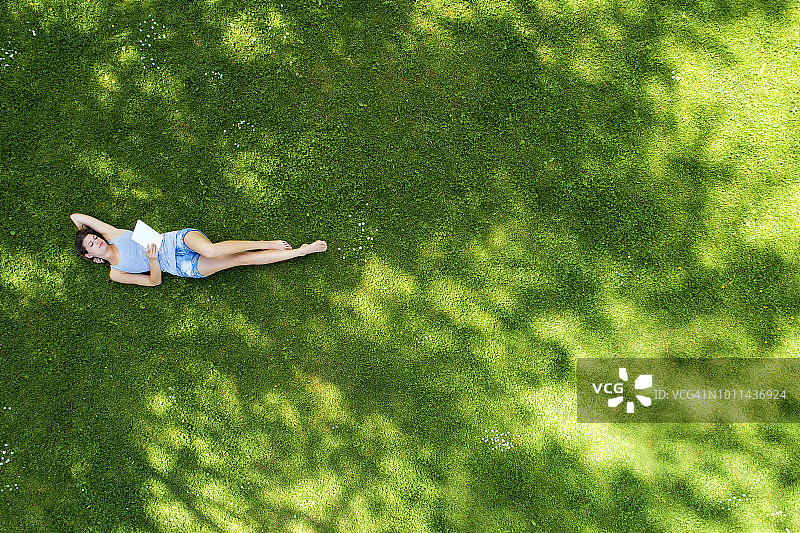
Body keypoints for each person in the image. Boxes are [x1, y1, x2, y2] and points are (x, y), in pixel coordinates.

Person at [71, 213, 327, 286]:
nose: (97, 241)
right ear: (89, 255)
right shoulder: (116, 272)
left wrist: (82, 233)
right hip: (179, 267)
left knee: (213, 251)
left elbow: (76, 216)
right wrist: (152, 260)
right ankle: (299, 252)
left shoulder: (113, 234)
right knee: (239, 260)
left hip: (178, 241)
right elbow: (154, 282)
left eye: (94, 238)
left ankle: (267, 243)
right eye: (91, 245)